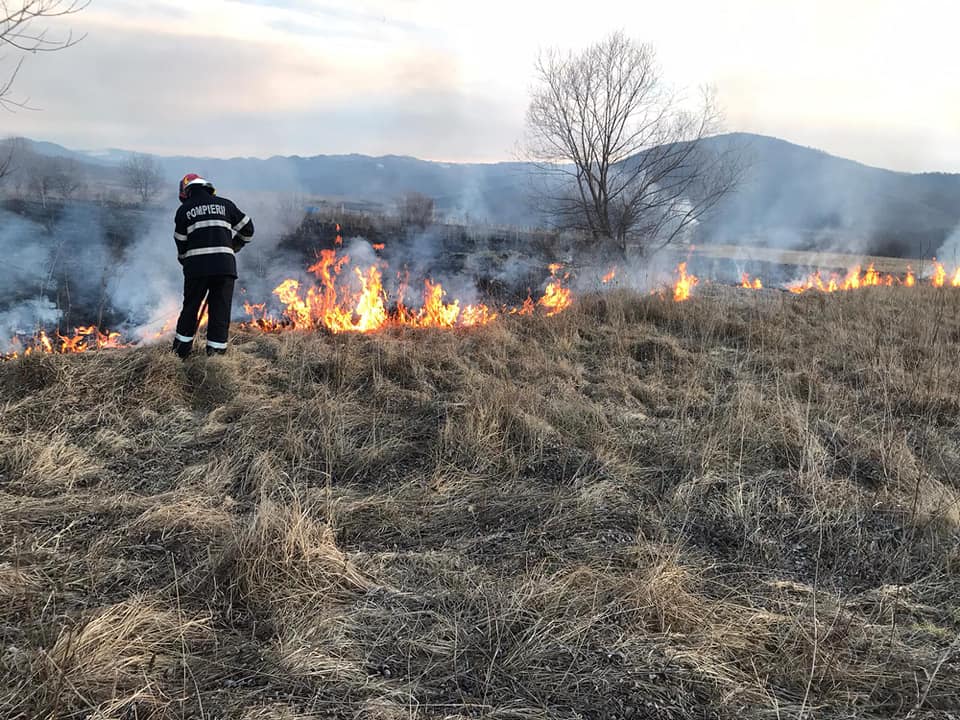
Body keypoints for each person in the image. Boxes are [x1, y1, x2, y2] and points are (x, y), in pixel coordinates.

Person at [172, 174, 254, 358]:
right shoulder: (226, 205)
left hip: (197, 269)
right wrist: (232, 247)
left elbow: (181, 243)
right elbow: (248, 229)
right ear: (208, 188)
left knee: (190, 310)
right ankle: (216, 358)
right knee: (220, 313)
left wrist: (186, 261)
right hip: (225, 268)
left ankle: (180, 354)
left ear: (186, 192)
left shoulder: (184, 210)